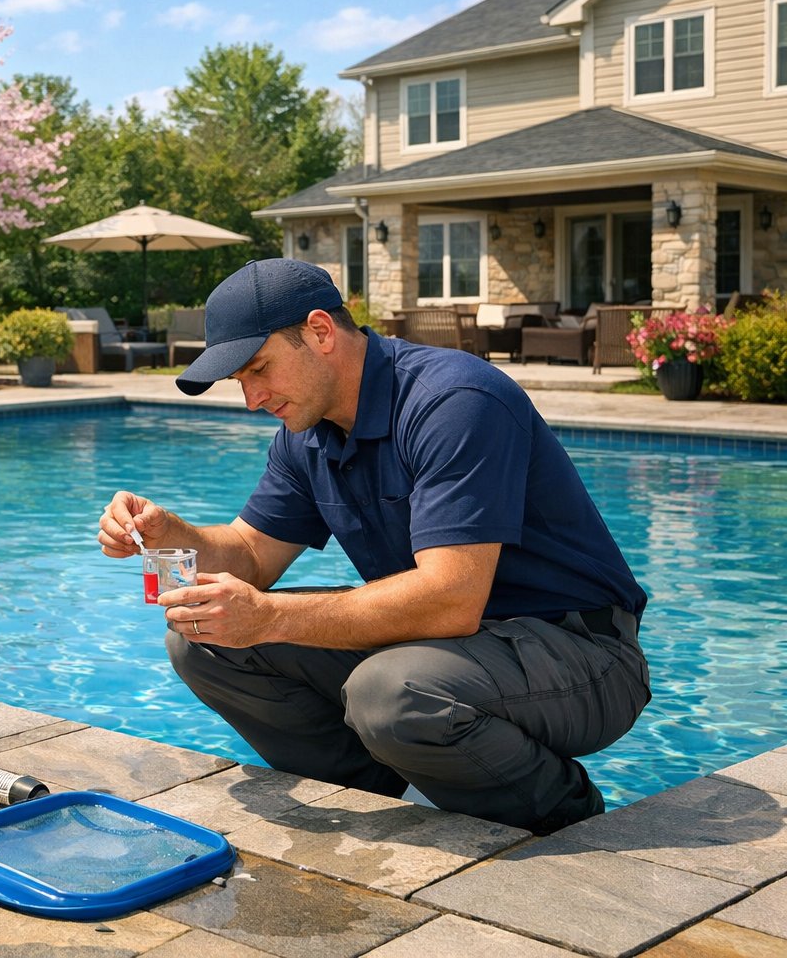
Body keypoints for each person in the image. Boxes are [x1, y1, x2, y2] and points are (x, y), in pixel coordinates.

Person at [98, 258, 649, 834]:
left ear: (320, 331)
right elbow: (251, 554)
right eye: (241, 381)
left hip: (581, 651)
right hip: (444, 647)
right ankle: (375, 793)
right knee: (204, 641)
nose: (253, 400)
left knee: (391, 693)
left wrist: (267, 617)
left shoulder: (454, 400)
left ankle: (565, 818)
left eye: (259, 369)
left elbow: (450, 599)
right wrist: (169, 535)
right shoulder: (306, 433)